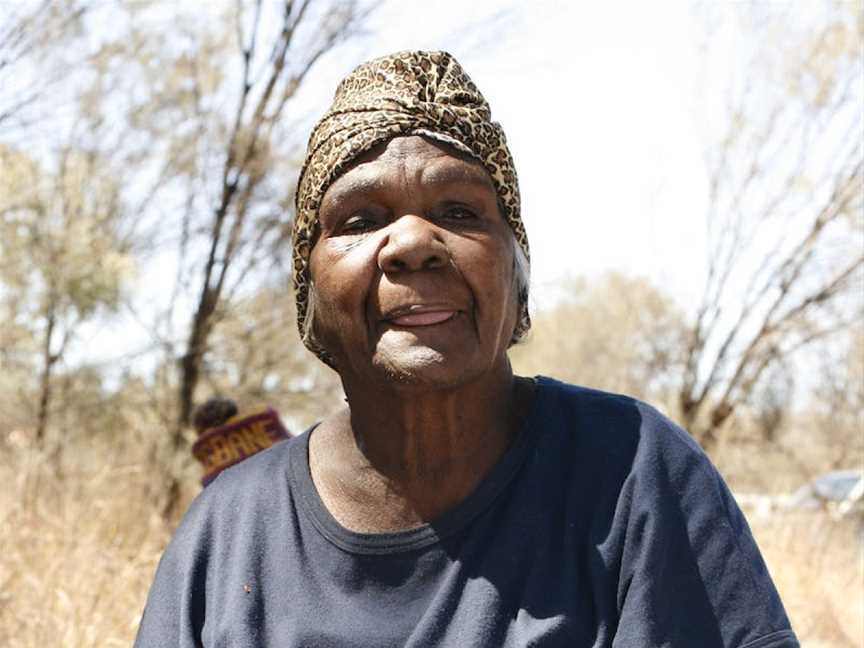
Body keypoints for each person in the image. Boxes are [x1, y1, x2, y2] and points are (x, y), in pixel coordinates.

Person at [135, 50, 799, 647]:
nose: (413, 243)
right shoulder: (228, 535)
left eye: (459, 212)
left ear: (518, 271)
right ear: (308, 296)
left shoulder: (632, 471)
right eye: (361, 220)